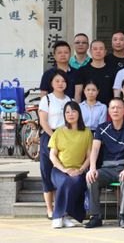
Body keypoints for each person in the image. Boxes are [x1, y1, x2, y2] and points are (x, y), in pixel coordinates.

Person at [85, 97, 124, 229]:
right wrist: (92, 168)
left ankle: (123, 216)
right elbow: (95, 149)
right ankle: (95, 216)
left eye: (119, 107)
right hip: (107, 168)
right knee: (91, 178)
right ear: (109, 110)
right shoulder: (102, 128)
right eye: (113, 108)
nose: (115, 110)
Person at [48, 101, 93, 228]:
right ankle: (59, 216)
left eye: (73, 111)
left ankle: (64, 215)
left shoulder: (87, 133)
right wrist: (64, 170)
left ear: (79, 113)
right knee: (65, 181)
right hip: (59, 170)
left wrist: (81, 169)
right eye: (67, 112)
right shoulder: (58, 132)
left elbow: (90, 156)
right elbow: (52, 155)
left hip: (79, 170)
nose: (70, 114)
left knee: (76, 181)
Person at [38, 70, 74, 219]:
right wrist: (55, 138)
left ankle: (62, 208)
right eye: (57, 81)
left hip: (66, 138)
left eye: (63, 81)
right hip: (49, 136)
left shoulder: (70, 100)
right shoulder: (46, 99)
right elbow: (43, 121)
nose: (60, 84)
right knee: (47, 171)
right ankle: (50, 209)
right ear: (51, 83)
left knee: (62, 173)